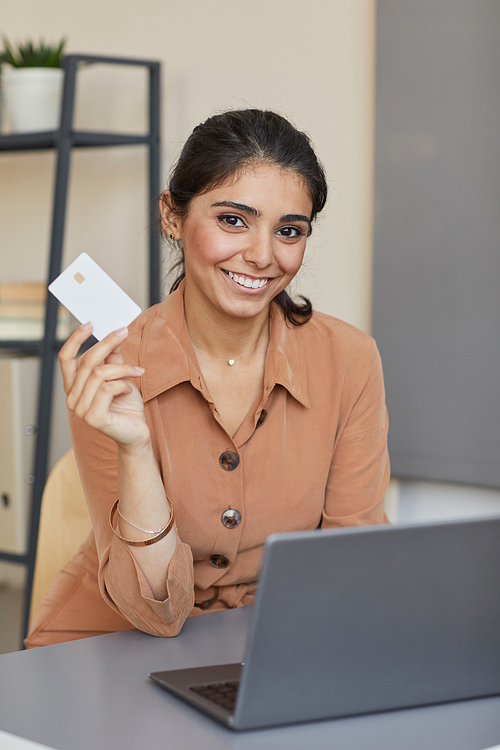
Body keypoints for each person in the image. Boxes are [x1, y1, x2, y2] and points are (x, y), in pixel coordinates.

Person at [26, 109, 390, 648]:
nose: (263, 256)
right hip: (110, 645)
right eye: (233, 220)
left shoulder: (350, 360)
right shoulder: (113, 363)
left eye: (289, 231)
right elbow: (156, 615)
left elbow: (351, 568)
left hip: (268, 642)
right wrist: (134, 447)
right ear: (172, 217)